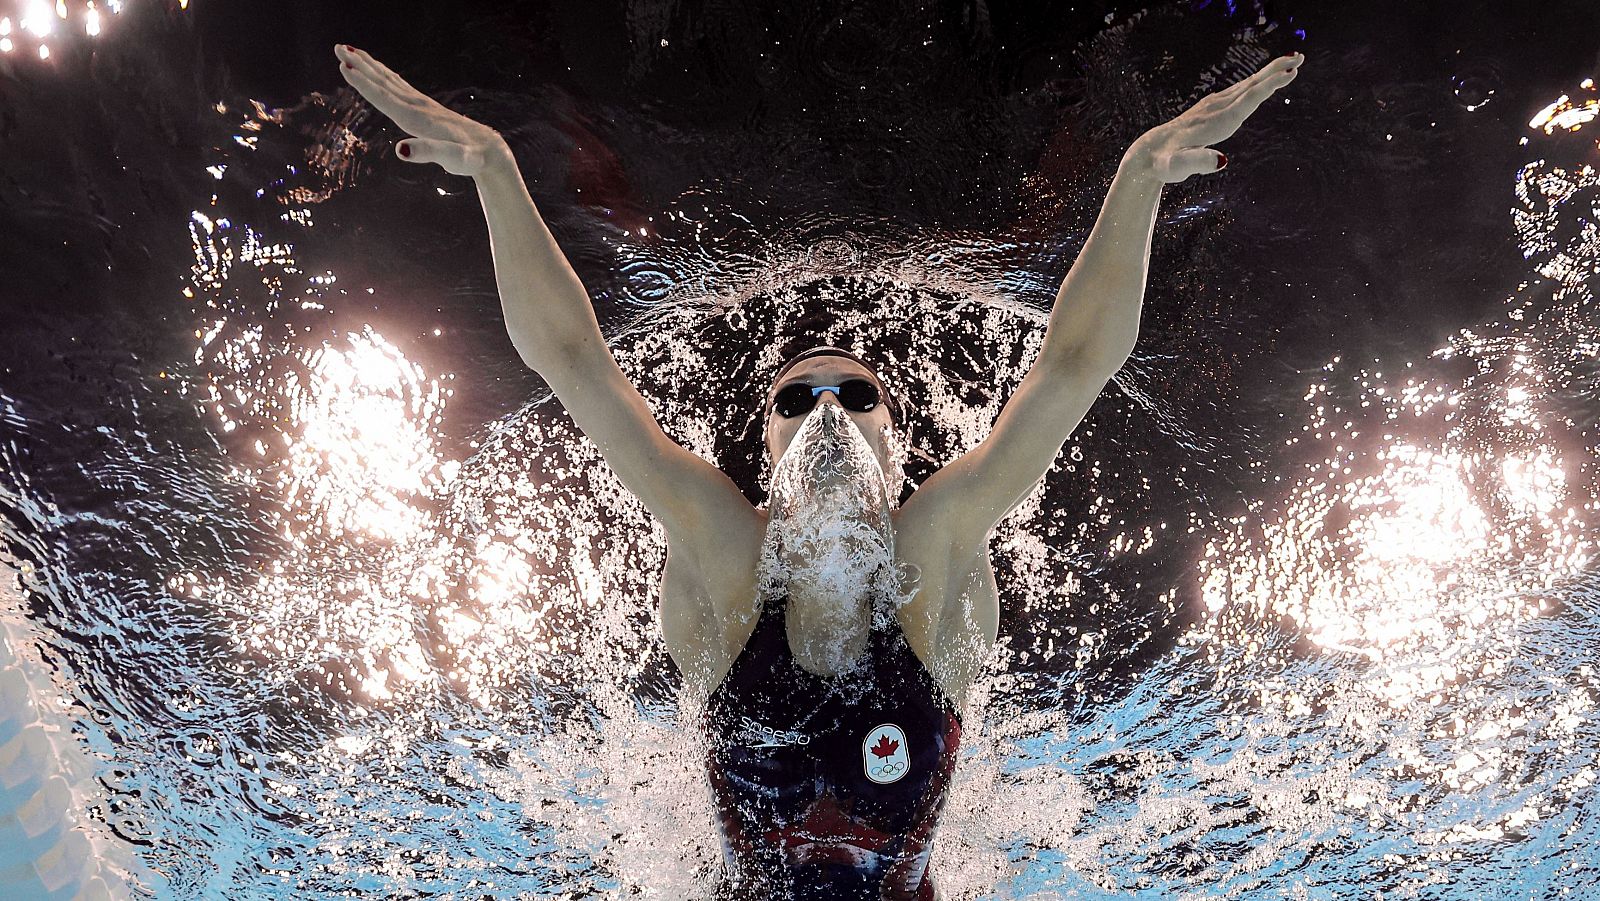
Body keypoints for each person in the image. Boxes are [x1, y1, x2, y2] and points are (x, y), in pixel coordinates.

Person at [333, 42, 1305, 899]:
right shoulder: (725, 561)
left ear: (895, 445)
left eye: (854, 395)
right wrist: (495, 168)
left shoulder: (936, 553)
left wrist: (1139, 174)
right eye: (796, 400)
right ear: (767, 456)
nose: (828, 410)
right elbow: (576, 367)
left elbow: (1073, 367)